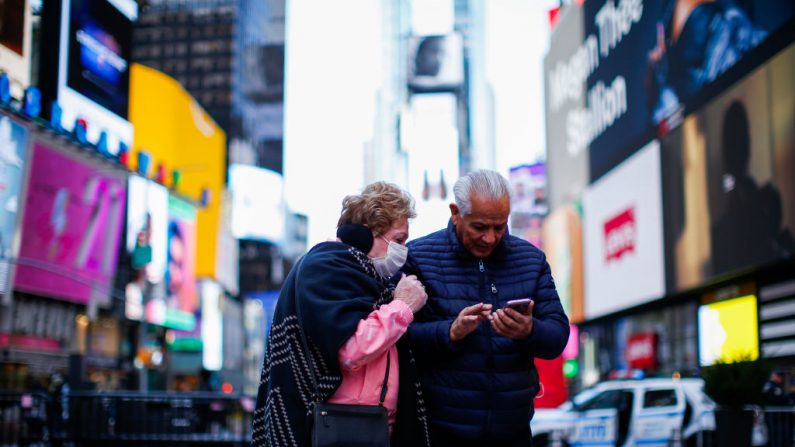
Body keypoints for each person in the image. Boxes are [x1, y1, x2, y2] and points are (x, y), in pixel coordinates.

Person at [252, 181, 432, 447]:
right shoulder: (325, 268)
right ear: (367, 235)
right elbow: (352, 348)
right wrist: (402, 306)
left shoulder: (371, 281)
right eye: (398, 240)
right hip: (337, 428)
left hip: (368, 427)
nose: (402, 251)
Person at [403, 169, 570, 446]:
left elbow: (557, 336)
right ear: (456, 213)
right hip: (440, 431)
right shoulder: (418, 257)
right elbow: (400, 338)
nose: (490, 238)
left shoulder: (530, 259)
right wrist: (450, 332)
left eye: (499, 226)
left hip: (514, 431)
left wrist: (529, 330)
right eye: (480, 227)